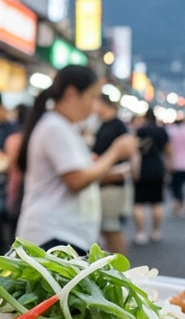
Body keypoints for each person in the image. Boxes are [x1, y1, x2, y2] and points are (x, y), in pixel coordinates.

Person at [16, 65, 136, 253]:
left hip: (63, 234)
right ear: (71, 93)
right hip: (53, 235)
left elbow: (77, 175)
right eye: (92, 97)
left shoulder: (64, 126)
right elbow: (76, 180)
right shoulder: (55, 127)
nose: (94, 106)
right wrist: (115, 153)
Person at [92, 93, 132, 254]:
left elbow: (127, 154)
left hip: (112, 183)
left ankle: (121, 264)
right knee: (107, 227)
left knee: (110, 227)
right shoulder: (102, 124)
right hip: (102, 181)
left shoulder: (117, 125)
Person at [132, 109, 169, 245]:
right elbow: (168, 150)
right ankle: (155, 232)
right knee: (157, 202)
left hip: (142, 169)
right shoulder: (162, 131)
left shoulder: (140, 131)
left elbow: (135, 151)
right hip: (158, 168)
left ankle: (140, 233)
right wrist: (168, 166)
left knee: (139, 203)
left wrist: (134, 170)